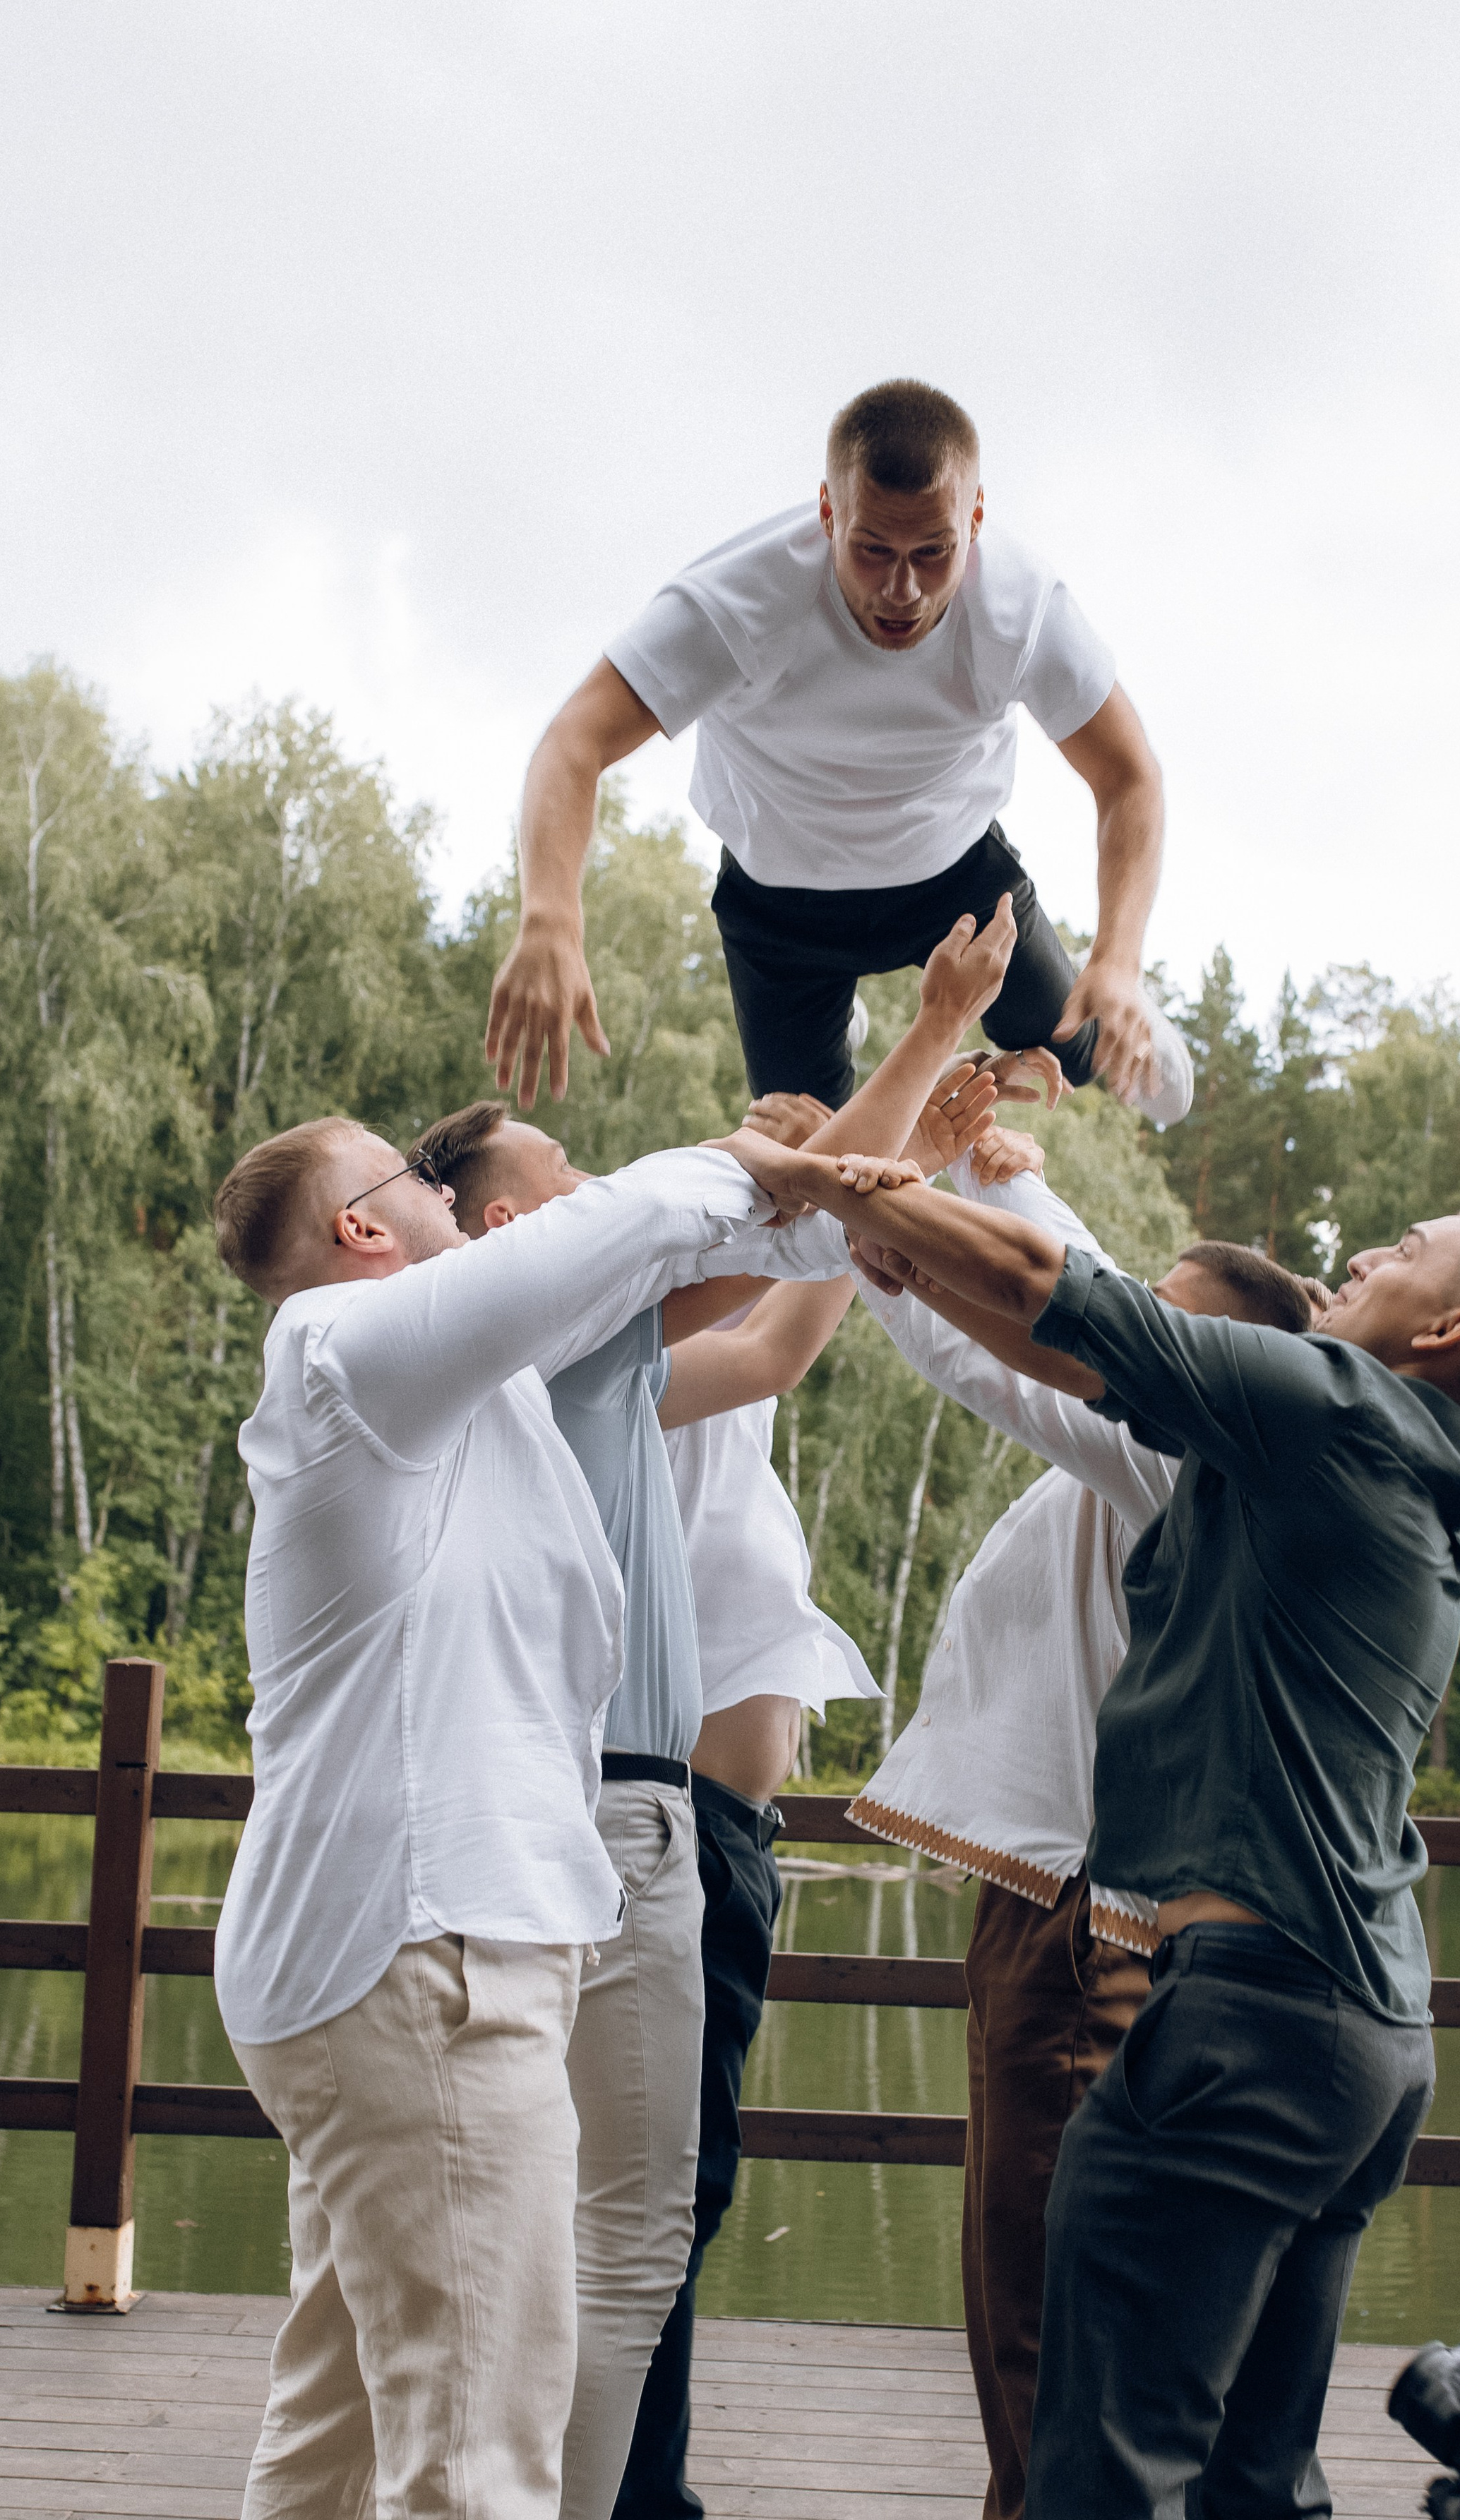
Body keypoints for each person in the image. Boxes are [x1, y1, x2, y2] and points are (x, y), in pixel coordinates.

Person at [716, 1141, 1460, 2520]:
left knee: (1101, 2465)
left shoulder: (1335, 1410)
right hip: (1359, 2033)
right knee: (1249, 2480)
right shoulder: (1357, 1461)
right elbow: (1067, 1359)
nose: (1364, 1253)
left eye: (1405, 1249)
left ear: (1446, 1328)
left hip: (1251, 2024)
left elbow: (1052, 1281)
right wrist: (912, 1268)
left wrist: (820, 1178)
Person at [412, 908, 1018, 2520]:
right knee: (631, 2206)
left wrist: (894, 1160)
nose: (599, 1179)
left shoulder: (604, 1357)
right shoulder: (554, 1322)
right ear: (500, 1220)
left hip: (677, 1824)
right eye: (565, 1168)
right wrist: (918, 1055)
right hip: (634, 1808)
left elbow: (780, 1311)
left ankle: (590, 2484)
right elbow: (771, 1255)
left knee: (636, 2202)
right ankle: (615, 2493)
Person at [207, 1113, 878, 2520]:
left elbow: (715, 1263)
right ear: (361, 1228)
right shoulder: (341, 1349)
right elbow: (604, 1235)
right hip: (424, 1962)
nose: (445, 1191)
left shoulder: (462, 1389)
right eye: (412, 1175)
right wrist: (754, 1161)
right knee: (480, 2451)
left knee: (337, 2426)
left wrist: (859, 1186)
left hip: (399, 1959)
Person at [850, 1149, 1316, 2520]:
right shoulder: (1160, 1450)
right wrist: (964, 1192)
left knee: (1045, 2295)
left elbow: (1031, 1329)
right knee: (1060, 2289)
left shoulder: (1171, 1453)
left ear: (1214, 1359)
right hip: (1065, 1893)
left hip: (1091, 1916)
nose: (1125, 1327)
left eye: (1164, 1318)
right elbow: (1044, 1307)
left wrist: (907, 1203)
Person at [485, 376, 1174, 1114]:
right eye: (873, 549)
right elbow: (573, 741)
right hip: (781, 901)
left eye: (933, 552)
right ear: (827, 513)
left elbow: (1128, 775)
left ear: (975, 518)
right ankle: (837, 1021)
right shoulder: (741, 600)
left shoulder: (1023, 608)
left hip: (952, 874)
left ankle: (1140, 1024)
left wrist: (1119, 959)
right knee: (808, 1153)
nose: (902, 589)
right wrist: (549, 918)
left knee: (1075, 1052)